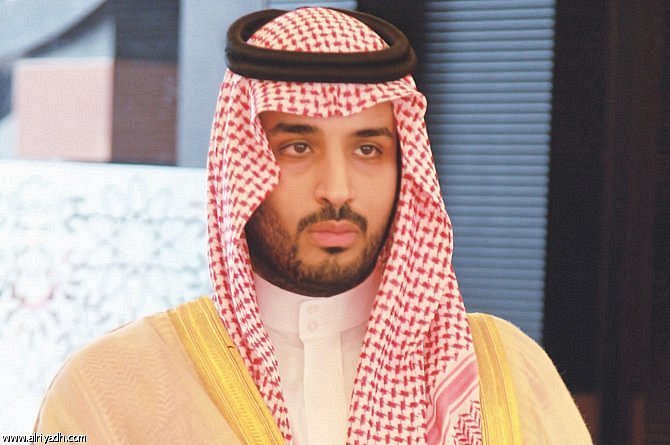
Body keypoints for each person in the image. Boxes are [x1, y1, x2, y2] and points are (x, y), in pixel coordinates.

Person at [35, 7, 592, 444]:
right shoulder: (107, 387)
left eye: (368, 149)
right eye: (298, 147)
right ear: (242, 164)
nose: (338, 189)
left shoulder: (509, 374)